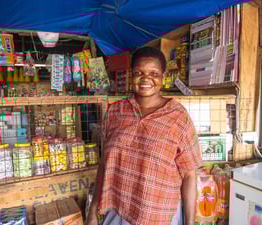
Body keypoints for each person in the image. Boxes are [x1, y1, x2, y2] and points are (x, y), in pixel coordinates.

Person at [86, 46, 202, 225]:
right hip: (119, 211)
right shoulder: (116, 111)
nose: (146, 78)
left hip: (159, 214)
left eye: (154, 73)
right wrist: (93, 211)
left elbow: (189, 175)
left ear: (163, 77)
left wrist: (190, 223)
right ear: (131, 76)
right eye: (138, 72)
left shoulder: (178, 117)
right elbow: (104, 164)